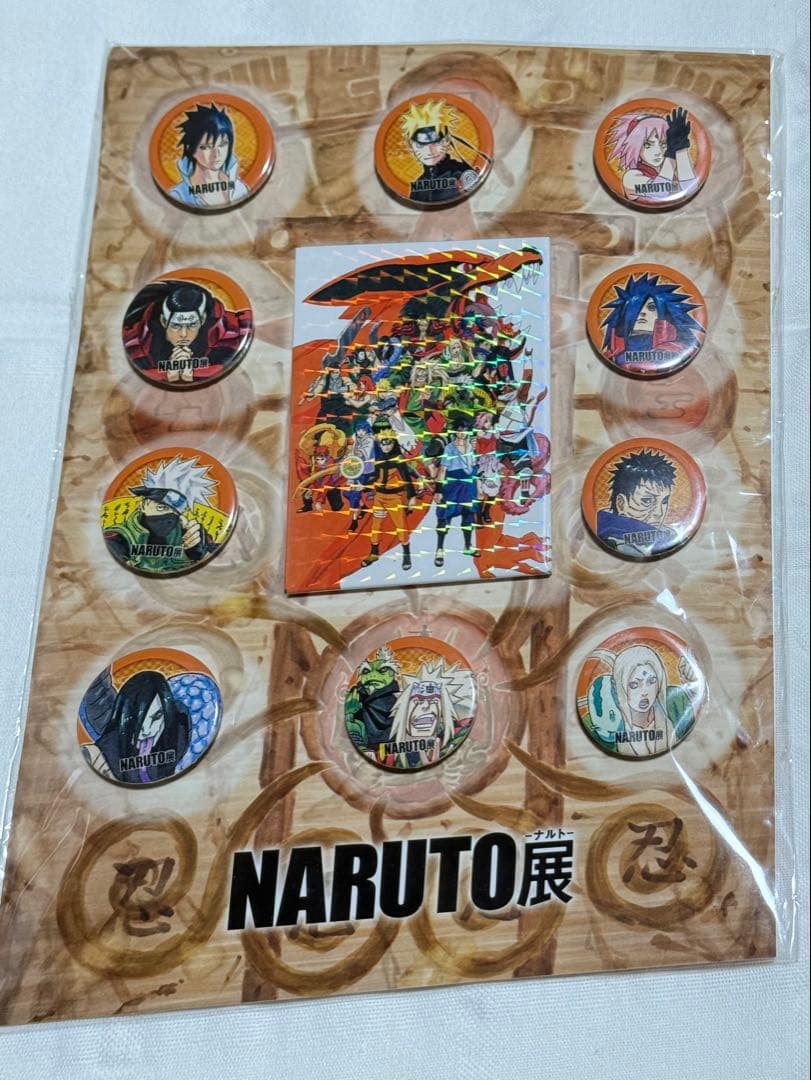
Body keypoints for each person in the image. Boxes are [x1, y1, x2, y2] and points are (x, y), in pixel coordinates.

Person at [103, 454, 218, 573]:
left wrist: (197, 553)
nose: (169, 516)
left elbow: (220, 559)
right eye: (161, 507)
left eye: (177, 511)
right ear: (143, 505)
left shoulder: (191, 534)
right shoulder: (119, 536)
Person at [122, 280, 252, 383]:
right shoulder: (135, 340)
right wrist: (168, 375)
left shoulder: (235, 328)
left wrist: (194, 374)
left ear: (203, 320)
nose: (184, 334)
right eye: (176, 326)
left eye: (192, 325)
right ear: (163, 321)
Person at [584, 645, 697, 757]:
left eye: (651, 681)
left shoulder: (676, 704)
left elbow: (694, 743)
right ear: (618, 686)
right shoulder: (603, 724)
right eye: (634, 684)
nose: (644, 692)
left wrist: (694, 687)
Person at [90, 670, 191, 783]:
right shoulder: (108, 748)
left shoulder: (178, 733)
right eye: (137, 719)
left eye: (157, 717)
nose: (147, 730)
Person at [599, 271, 704, 373]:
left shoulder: (678, 350)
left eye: (652, 307)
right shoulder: (612, 353)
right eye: (635, 308)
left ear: (666, 313)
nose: (642, 313)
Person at [380, 658, 473, 768]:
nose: (426, 706)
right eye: (418, 701)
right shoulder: (384, 753)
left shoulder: (456, 738)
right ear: (403, 710)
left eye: (434, 701)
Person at [362, 420, 422, 571]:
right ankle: (374, 553)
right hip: (379, 497)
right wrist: (365, 484)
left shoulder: (398, 459)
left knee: (401, 527)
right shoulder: (378, 457)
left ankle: (406, 555)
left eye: (388, 443)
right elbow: (376, 476)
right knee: (376, 526)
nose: (386, 446)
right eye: (383, 443)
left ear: (393, 442)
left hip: (394, 498)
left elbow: (406, 477)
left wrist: (412, 497)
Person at [595, 449, 678, 558]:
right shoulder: (613, 539)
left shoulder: (669, 534)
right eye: (647, 501)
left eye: (664, 501)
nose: (659, 513)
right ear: (621, 503)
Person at [606, 107, 696, 203]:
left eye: (664, 144)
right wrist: (671, 153)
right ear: (635, 147)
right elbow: (660, 191)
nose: (658, 152)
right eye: (648, 145)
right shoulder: (631, 177)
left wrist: (681, 148)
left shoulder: (671, 168)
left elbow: (690, 188)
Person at [400, 100, 481, 205]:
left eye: (436, 142)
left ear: (447, 141)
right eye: (421, 145)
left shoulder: (460, 171)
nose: (430, 151)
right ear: (411, 146)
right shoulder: (418, 184)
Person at [169, 103, 249, 209]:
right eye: (206, 147)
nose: (216, 154)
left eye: (223, 144)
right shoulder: (179, 195)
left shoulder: (240, 188)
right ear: (190, 149)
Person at [434, 424, 479, 566]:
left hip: (468, 486)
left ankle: (468, 546)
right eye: (459, 430)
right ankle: (439, 550)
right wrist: (438, 489)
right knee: (444, 517)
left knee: (468, 515)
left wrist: (479, 488)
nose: (462, 433)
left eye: (465, 430)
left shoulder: (471, 447)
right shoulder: (449, 448)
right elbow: (443, 469)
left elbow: (474, 468)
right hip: (453, 486)